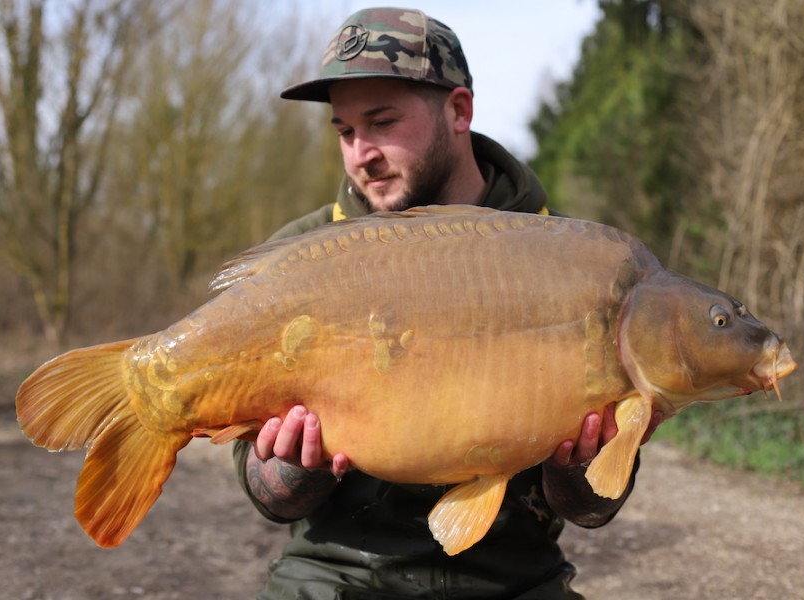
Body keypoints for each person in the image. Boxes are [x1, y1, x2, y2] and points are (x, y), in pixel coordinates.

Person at [233, 7, 661, 599]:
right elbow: (266, 496)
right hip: (335, 573)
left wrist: (577, 468)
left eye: (382, 122)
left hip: (513, 577)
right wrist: (291, 467)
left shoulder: (571, 262)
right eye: (345, 131)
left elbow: (592, 511)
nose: (361, 154)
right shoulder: (297, 259)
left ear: (458, 110)